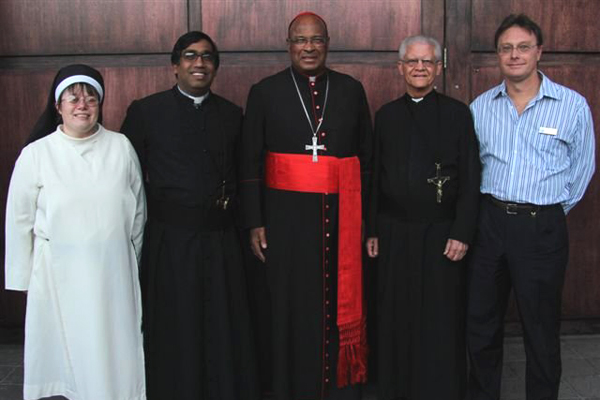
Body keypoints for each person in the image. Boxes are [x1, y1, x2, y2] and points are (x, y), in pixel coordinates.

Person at [120, 31, 259, 400]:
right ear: (174, 66)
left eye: (208, 57)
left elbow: (244, 177)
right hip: (170, 241)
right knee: (176, 324)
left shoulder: (232, 114)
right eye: (190, 56)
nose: (200, 64)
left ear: (216, 66)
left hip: (220, 239)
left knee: (222, 323)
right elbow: (125, 179)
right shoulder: (145, 112)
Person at [240, 12, 372, 400]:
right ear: (288, 45)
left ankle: (339, 388)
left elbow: (367, 157)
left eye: (316, 40)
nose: (309, 47)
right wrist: (255, 222)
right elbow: (249, 162)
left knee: (336, 300)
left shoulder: (350, 89)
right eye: (300, 40)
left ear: (327, 43)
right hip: (285, 220)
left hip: (341, 217)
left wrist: (366, 221)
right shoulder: (264, 91)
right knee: (290, 306)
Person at [467, 14, 595, 400]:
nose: (514, 55)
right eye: (506, 48)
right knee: (481, 324)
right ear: (497, 56)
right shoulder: (480, 107)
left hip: (542, 227)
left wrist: (546, 214)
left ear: (539, 52)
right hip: (489, 224)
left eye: (523, 47)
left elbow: (583, 169)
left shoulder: (571, 106)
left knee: (540, 328)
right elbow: (472, 165)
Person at [5, 64, 147, 400]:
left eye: (90, 98)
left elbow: (138, 210)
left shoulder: (121, 146)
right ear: (58, 106)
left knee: (115, 349)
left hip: (113, 270)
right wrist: (22, 279)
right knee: (71, 351)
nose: (82, 105)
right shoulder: (37, 155)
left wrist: (131, 260)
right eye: (73, 98)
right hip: (57, 274)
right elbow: (18, 220)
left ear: (100, 104)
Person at [365, 35, 480, 400]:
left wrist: (462, 232)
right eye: (412, 62)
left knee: (440, 317)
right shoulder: (386, 115)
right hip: (394, 232)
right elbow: (373, 178)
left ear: (438, 68)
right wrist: (372, 229)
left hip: (443, 234)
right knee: (395, 315)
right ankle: (395, 389)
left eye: (427, 62)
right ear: (400, 68)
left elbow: (472, 177)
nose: (419, 68)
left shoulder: (458, 114)